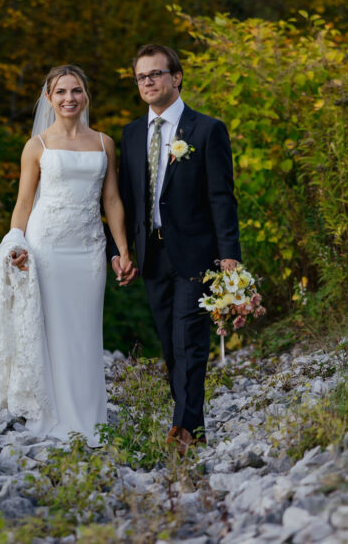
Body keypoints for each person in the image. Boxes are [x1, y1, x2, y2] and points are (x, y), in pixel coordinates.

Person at [0, 65, 133, 446]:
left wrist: (123, 249)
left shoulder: (104, 143)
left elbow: (112, 200)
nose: (70, 98)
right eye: (61, 92)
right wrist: (17, 243)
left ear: (86, 96)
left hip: (88, 250)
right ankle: (50, 413)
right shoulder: (37, 146)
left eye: (77, 90)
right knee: (49, 330)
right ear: (49, 99)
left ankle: (88, 418)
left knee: (83, 330)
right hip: (46, 247)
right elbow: (23, 202)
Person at [110, 44, 241, 452]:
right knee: (170, 342)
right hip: (152, 255)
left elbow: (222, 196)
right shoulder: (132, 134)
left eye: (156, 74)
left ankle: (184, 429)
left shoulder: (206, 129)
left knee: (189, 339)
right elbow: (127, 201)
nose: (148, 82)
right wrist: (120, 252)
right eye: (141, 77)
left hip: (196, 254)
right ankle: (190, 423)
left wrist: (230, 257)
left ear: (176, 77)